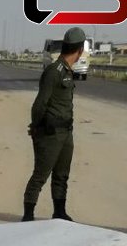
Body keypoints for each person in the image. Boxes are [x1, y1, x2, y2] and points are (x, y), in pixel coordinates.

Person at [22, 26, 85, 222]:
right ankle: (28, 216)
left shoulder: (67, 71)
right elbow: (40, 104)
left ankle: (59, 212)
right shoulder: (54, 71)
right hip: (50, 133)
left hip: (66, 131)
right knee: (41, 175)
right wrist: (36, 127)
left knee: (62, 174)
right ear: (80, 49)